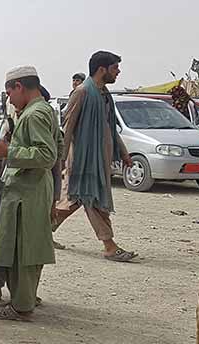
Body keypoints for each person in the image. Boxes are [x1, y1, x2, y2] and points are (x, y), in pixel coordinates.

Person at [0, 66, 59, 321]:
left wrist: (8, 152)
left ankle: (22, 307)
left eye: (9, 92)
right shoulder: (43, 110)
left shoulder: (34, 115)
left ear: (19, 87)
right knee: (26, 248)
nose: (9, 98)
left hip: (27, 192)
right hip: (32, 189)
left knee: (23, 251)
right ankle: (24, 298)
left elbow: (47, 155)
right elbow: (58, 145)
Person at [53, 51, 138, 262]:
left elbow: (110, 129)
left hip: (100, 159)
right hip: (84, 160)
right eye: (115, 68)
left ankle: (42, 231)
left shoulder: (105, 95)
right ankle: (109, 246)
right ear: (102, 69)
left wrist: (124, 154)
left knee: (73, 200)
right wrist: (61, 159)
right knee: (93, 200)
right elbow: (68, 127)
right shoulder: (82, 92)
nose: (118, 72)